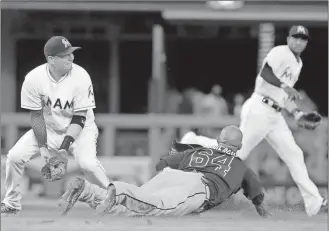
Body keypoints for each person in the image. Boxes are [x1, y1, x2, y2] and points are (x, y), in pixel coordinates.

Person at [179, 25, 327, 216]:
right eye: (295, 37)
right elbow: (266, 73)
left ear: (306, 42)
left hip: (275, 114)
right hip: (259, 108)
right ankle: (193, 140)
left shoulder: (298, 64)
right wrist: (283, 84)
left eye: (303, 38)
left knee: (295, 155)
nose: (299, 41)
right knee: (235, 153)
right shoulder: (280, 52)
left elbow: (284, 95)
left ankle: (314, 204)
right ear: (288, 39)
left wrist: (298, 114)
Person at [58, 125, 271, 218]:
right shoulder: (240, 165)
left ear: (219, 141)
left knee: (135, 211)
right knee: (155, 207)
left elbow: (162, 164)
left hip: (171, 175)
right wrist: (265, 214)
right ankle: (120, 190)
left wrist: (170, 174)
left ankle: (87, 191)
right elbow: (258, 197)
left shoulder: (199, 151)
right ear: (239, 147)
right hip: (198, 187)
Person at [1, 36, 110, 216]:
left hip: (81, 130)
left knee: (88, 164)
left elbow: (80, 118)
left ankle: (110, 197)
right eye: (65, 55)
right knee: (14, 156)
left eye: (71, 53)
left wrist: (63, 149)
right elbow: (36, 116)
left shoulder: (80, 76)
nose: (71, 58)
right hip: (50, 129)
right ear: (51, 60)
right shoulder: (33, 79)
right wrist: (43, 148)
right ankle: (11, 203)